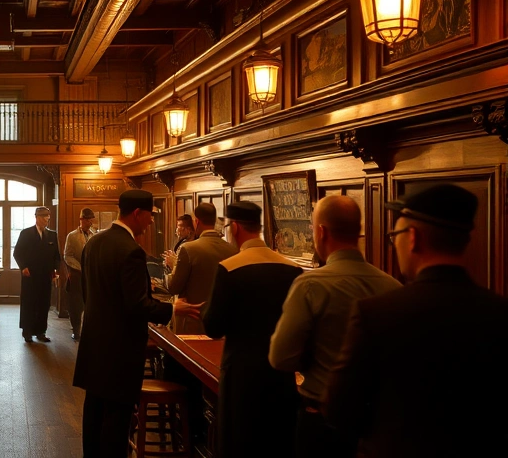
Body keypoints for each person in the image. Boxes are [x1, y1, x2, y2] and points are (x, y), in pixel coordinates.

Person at [325, 184, 508, 458]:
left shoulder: (375, 313)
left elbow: (339, 409)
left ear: (413, 238)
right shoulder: (500, 312)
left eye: (393, 236)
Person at [269, 196, 401, 458]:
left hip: (322, 419)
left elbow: (280, 357)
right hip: (377, 423)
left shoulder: (310, 285)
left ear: (321, 232)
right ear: (357, 231)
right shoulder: (392, 286)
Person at [73, 190, 201, 457]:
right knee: (116, 423)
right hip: (119, 351)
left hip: (94, 345)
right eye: (150, 215)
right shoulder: (131, 250)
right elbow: (138, 306)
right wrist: (172, 308)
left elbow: (87, 293)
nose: (152, 221)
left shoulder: (94, 243)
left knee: (94, 415)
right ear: (137, 213)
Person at [202, 201, 303, 458]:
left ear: (235, 228)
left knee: (239, 444)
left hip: (241, 375)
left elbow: (213, 327)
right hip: (281, 375)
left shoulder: (229, 268)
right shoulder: (292, 269)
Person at [167, 202, 237, 335]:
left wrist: (173, 267)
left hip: (192, 321)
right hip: (223, 323)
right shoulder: (232, 250)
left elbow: (174, 287)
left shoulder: (188, 249)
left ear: (196, 221)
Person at [13, 206, 60, 343]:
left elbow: (56, 256)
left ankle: (41, 332)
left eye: (48, 217)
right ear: (37, 217)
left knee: (43, 304)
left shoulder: (52, 235)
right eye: (44, 216)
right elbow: (17, 253)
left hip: (46, 275)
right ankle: (27, 332)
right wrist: (23, 267)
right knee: (29, 303)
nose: (46, 219)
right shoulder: (26, 233)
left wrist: (55, 270)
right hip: (30, 275)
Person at [64, 207, 96, 340]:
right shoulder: (72, 236)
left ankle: (89, 330)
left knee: (90, 304)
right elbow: (67, 256)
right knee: (76, 305)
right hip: (77, 276)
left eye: (91, 220)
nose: (90, 222)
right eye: (87, 220)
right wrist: (80, 268)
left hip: (91, 277)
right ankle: (76, 330)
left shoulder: (94, 235)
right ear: (81, 220)